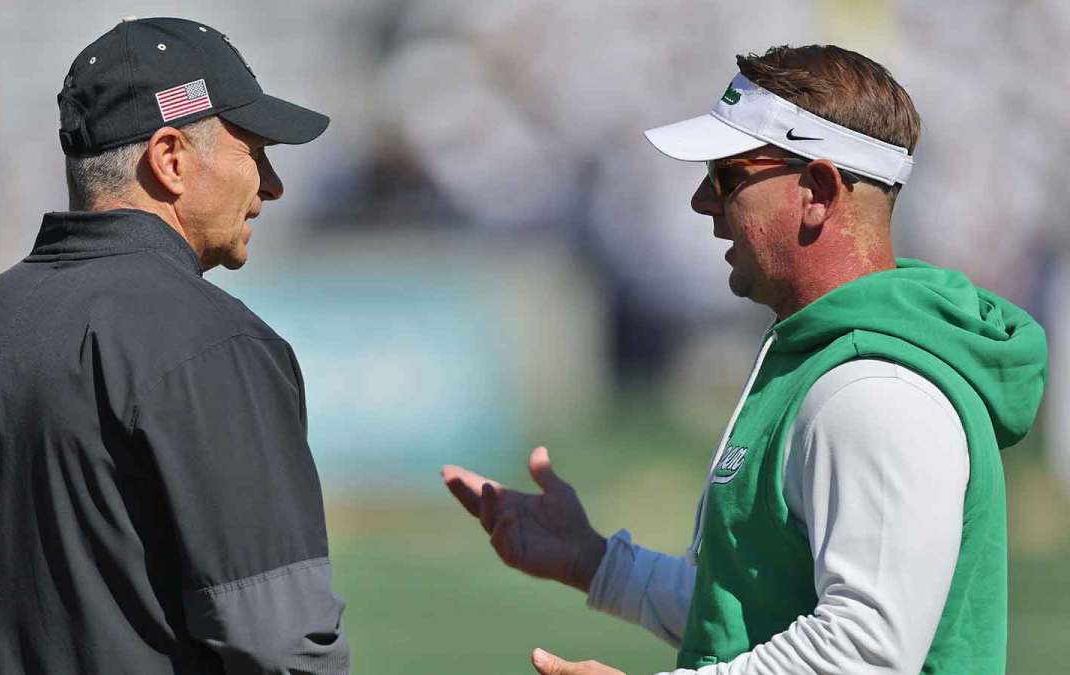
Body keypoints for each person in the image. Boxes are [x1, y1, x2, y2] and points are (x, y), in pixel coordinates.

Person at [442, 44, 1048, 675]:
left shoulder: (875, 389)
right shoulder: (822, 362)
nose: (703, 202)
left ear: (817, 190)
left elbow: (865, 653)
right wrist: (595, 562)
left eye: (728, 175)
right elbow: (758, 609)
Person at [0, 17, 349, 675]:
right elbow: (283, 646)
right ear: (170, 158)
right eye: (255, 152)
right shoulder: (215, 345)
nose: (271, 185)